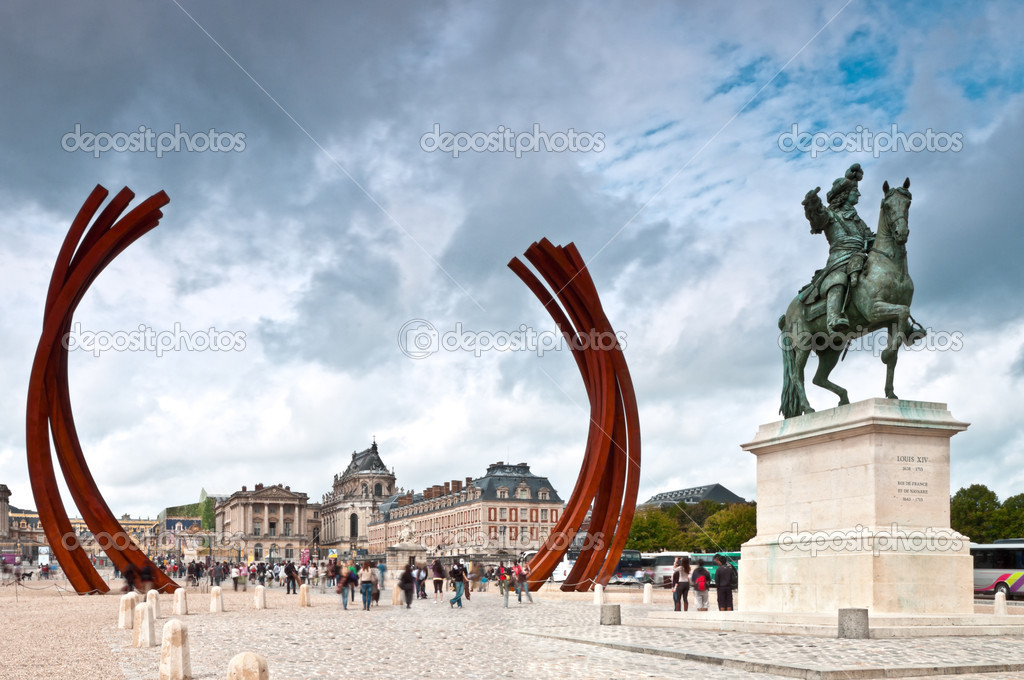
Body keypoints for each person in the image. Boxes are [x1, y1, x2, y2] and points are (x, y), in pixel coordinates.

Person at [800, 162, 874, 335]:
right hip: (840, 259)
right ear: (845, 194)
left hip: (860, 257)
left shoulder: (857, 220)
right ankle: (833, 317)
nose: (859, 194)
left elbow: (870, 239)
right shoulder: (831, 215)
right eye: (855, 191)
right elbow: (818, 217)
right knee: (838, 278)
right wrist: (813, 203)